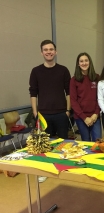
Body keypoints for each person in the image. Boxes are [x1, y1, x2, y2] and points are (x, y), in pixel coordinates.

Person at [29, 39, 71, 183]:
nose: (49, 52)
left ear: (56, 51)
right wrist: (35, 113)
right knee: (44, 145)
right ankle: (45, 170)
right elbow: (33, 93)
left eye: (51, 49)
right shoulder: (36, 71)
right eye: (46, 50)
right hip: (43, 114)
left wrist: (68, 110)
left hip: (61, 113)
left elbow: (69, 92)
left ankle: (64, 168)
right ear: (42, 53)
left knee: (64, 143)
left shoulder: (63, 70)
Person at [70, 52, 101, 141]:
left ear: (90, 62)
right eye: (81, 61)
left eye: (86, 60)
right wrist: (84, 117)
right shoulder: (74, 80)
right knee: (86, 142)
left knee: (98, 142)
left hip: (95, 116)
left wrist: (95, 114)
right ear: (78, 64)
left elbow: (100, 98)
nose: (84, 63)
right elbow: (73, 101)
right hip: (81, 118)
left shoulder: (97, 77)